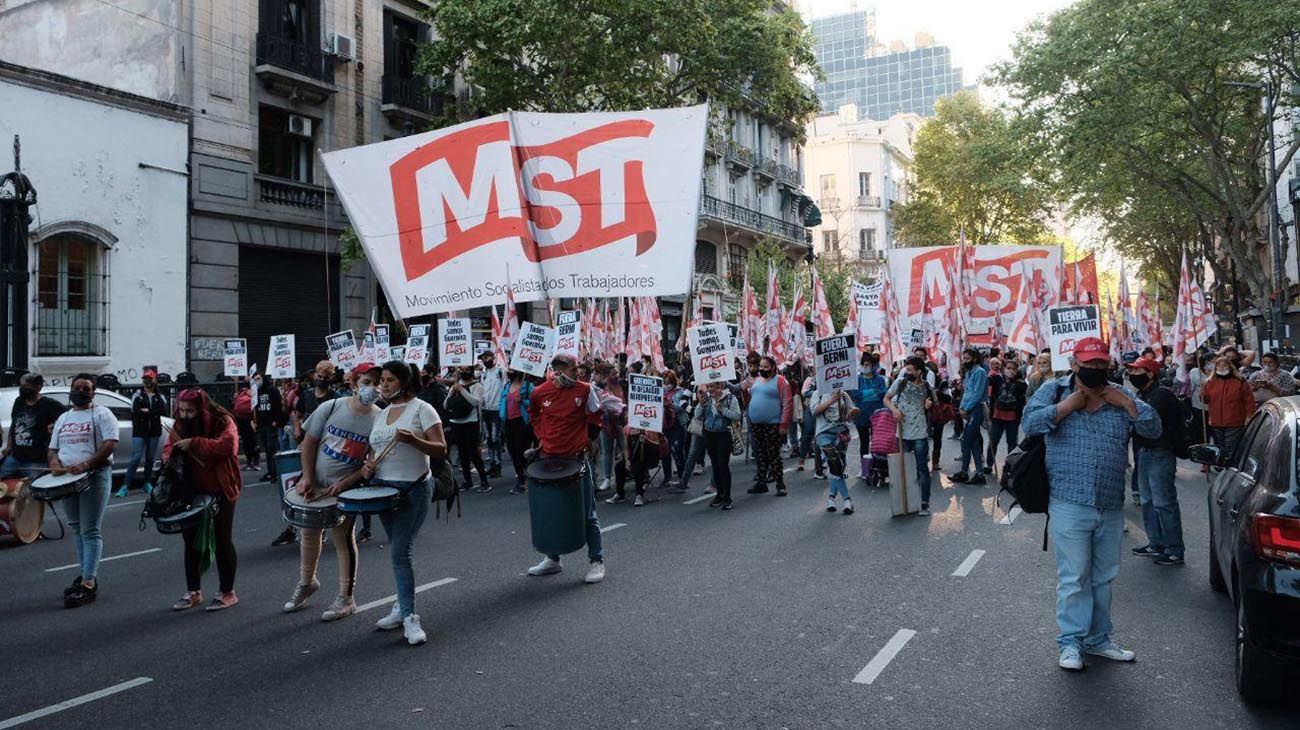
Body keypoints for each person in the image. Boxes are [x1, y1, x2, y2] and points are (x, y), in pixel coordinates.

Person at [1022, 337, 1160, 671]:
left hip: (1111, 502)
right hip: (1069, 501)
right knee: (1074, 577)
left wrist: (1128, 405)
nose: (1095, 368)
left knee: (1103, 576)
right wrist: (1065, 408)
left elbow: (1154, 429)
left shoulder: (1121, 395)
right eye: (1088, 363)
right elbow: (1028, 424)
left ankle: (1098, 639)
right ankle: (1070, 643)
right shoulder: (1054, 391)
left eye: (1101, 363)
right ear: (1073, 363)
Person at [282, 363, 380, 620]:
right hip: (316, 485)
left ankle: (346, 598)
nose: (372, 388)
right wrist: (307, 478)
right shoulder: (331, 407)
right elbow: (308, 443)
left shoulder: (380, 418)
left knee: (343, 540)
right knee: (309, 533)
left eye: (377, 383)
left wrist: (347, 483)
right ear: (354, 381)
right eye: (367, 381)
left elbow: (370, 463)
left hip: (346, 490)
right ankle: (307, 582)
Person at [360, 361, 447, 646]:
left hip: (414, 488)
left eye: (388, 380)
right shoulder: (381, 413)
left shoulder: (423, 409)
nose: (382, 385)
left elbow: (441, 449)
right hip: (383, 490)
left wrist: (414, 441)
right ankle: (401, 606)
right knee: (397, 549)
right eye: (381, 380)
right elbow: (374, 452)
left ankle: (409, 617)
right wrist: (368, 467)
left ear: (404, 383)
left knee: (400, 552)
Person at [526, 354, 607, 583]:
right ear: (559, 371)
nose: (577, 373)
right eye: (573, 370)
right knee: (551, 511)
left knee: (588, 513)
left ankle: (596, 560)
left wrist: (588, 439)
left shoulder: (585, 390)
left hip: (577, 460)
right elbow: (533, 415)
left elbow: (596, 415)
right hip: (549, 461)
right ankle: (553, 559)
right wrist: (542, 435)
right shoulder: (539, 392)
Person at [166, 387, 242, 612]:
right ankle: (193, 591)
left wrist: (195, 443)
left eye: (190, 411)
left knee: (221, 539)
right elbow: (168, 448)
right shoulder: (178, 423)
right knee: (190, 541)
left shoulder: (222, 420)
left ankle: (227, 592)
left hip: (221, 488)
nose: (185, 415)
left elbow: (228, 446)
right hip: (190, 490)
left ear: (201, 408)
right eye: (182, 410)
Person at [47, 374, 119, 608]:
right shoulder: (63, 417)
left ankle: (88, 582)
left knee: (90, 529)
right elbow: (53, 449)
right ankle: (85, 573)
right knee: (76, 528)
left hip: (94, 476)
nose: (80, 391)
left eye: (85, 388)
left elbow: (110, 444)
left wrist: (87, 464)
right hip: (67, 480)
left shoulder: (102, 414)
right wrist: (55, 464)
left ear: (93, 392)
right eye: (77, 387)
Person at [1126, 357, 1187, 567]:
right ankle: (1156, 543)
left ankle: (1174, 549)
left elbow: (1145, 421)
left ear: (1150, 373)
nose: (1132, 375)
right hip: (1144, 453)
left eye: (1137, 371)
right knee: (1148, 501)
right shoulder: (1143, 394)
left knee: (1163, 503)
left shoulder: (1161, 395)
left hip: (1160, 453)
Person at [885, 357, 934, 516]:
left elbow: (935, 402)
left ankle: (924, 503)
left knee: (922, 470)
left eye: (911, 370)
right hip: (902, 433)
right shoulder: (900, 383)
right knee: (903, 469)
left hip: (919, 433)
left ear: (919, 371)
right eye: (907, 369)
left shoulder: (927, 386)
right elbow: (886, 399)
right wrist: (894, 410)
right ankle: (904, 502)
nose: (907, 372)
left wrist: (928, 403)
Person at [1, 373, 65, 479]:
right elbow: (14, 425)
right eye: (21, 386)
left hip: (36, 461)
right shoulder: (19, 402)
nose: (22, 389)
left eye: (26, 386)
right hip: (15, 457)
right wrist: (8, 446)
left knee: (35, 488)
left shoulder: (49, 404)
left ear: (38, 387)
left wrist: (54, 427)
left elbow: (67, 418)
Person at [745, 355, 792, 496]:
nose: (762, 369)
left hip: (773, 424)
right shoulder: (757, 381)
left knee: (773, 454)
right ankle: (761, 482)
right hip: (756, 424)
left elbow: (787, 404)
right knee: (760, 454)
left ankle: (780, 484)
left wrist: (784, 424)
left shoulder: (781, 381)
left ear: (773, 367)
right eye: (761, 367)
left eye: (765, 367)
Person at [119, 367, 167, 497]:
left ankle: (147, 483)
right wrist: (151, 413)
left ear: (154, 380)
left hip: (154, 431)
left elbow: (162, 411)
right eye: (145, 379)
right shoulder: (137, 395)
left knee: (150, 459)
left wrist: (148, 412)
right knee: (135, 457)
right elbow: (135, 412)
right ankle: (125, 485)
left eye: (149, 379)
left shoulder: (159, 396)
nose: (147, 382)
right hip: (139, 431)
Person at [812, 382, 860, 514]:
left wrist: (854, 412)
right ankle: (847, 500)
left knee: (837, 467)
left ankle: (831, 498)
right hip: (824, 434)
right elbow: (815, 411)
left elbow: (849, 416)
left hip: (841, 434)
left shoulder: (844, 395)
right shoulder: (818, 394)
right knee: (834, 463)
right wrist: (832, 400)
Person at [694, 381, 741, 509]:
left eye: (712, 387)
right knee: (715, 465)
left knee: (722, 465)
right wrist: (701, 404)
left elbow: (737, 415)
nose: (710, 390)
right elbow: (696, 415)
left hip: (723, 434)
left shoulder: (730, 398)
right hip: (709, 434)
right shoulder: (707, 399)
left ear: (720, 386)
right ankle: (719, 494)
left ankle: (727, 497)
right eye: (708, 387)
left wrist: (722, 410)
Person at [1201, 354, 1256, 457]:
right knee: (1220, 447)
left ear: (1230, 367)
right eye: (1219, 365)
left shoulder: (1240, 382)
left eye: (1224, 365)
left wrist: (1249, 416)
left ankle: (1230, 465)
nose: (1221, 368)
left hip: (1234, 421)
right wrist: (1203, 393)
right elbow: (1205, 400)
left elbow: (1249, 400)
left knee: (1231, 447)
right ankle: (1223, 466)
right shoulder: (1210, 382)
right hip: (1216, 421)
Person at [951, 348, 989, 485]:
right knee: (973, 443)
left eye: (967, 358)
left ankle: (965, 472)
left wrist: (965, 408)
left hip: (977, 408)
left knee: (967, 441)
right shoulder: (969, 372)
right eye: (964, 358)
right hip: (968, 409)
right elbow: (967, 392)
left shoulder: (980, 372)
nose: (964, 361)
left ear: (974, 359)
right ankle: (977, 473)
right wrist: (962, 407)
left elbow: (977, 394)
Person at [986, 359, 1028, 472]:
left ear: (1017, 370)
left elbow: (1024, 399)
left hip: (1013, 418)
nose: (1010, 371)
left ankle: (1010, 466)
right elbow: (985, 382)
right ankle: (989, 464)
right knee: (993, 440)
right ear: (1004, 369)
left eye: (1013, 368)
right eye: (1008, 368)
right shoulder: (996, 379)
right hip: (997, 417)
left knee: (1012, 443)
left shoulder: (1021, 384)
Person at [850, 352, 889, 475]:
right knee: (864, 442)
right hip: (861, 416)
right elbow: (856, 395)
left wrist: (864, 394)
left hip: (878, 417)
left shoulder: (880, 379)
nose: (866, 366)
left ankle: (877, 468)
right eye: (864, 364)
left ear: (873, 366)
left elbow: (882, 393)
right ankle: (864, 469)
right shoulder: (856, 380)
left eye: (868, 364)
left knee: (877, 443)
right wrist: (873, 392)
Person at [608, 426, 666, 506]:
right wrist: (627, 461)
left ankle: (639, 495)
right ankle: (620, 494)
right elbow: (626, 447)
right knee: (619, 466)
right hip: (634, 456)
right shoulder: (627, 429)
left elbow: (658, 446)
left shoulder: (651, 427)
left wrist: (647, 440)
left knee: (638, 466)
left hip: (650, 456)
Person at [500, 369, 535, 494]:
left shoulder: (528, 386)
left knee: (522, 452)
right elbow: (502, 401)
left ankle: (528, 479)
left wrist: (523, 401)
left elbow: (535, 403)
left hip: (523, 422)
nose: (509, 372)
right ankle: (520, 479)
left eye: (511, 370)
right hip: (509, 423)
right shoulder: (507, 386)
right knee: (513, 451)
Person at [477, 351, 508, 478]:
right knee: (489, 438)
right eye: (483, 358)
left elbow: (505, 389)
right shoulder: (482, 374)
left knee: (496, 439)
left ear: (494, 358)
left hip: (496, 409)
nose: (485, 360)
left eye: (487, 357)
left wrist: (503, 407)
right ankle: (492, 464)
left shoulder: (501, 372)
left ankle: (498, 465)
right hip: (485, 410)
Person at [292, 361, 339, 442]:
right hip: (307, 438)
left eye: (326, 378)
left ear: (331, 377)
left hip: (327, 439)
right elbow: (297, 415)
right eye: (320, 376)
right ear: (315, 375)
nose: (322, 379)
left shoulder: (336, 398)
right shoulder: (306, 394)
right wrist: (297, 429)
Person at [798, 375, 826, 478]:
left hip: (825, 410)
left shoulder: (831, 378)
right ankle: (801, 459)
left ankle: (819, 466)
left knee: (819, 437)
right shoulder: (812, 379)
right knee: (807, 433)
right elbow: (805, 393)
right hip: (811, 409)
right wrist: (819, 392)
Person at [231, 380, 259, 472]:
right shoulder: (241, 393)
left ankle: (255, 461)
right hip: (242, 421)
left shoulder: (253, 392)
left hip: (250, 420)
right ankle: (250, 461)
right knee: (247, 442)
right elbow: (235, 406)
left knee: (253, 441)